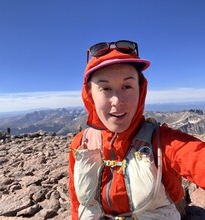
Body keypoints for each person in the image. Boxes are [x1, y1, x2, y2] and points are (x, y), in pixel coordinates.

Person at [68, 40, 205, 220]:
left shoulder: (163, 141)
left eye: (127, 86)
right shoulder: (81, 144)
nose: (117, 101)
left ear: (141, 89)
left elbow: (195, 157)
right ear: (90, 94)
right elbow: (77, 203)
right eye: (105, 88)